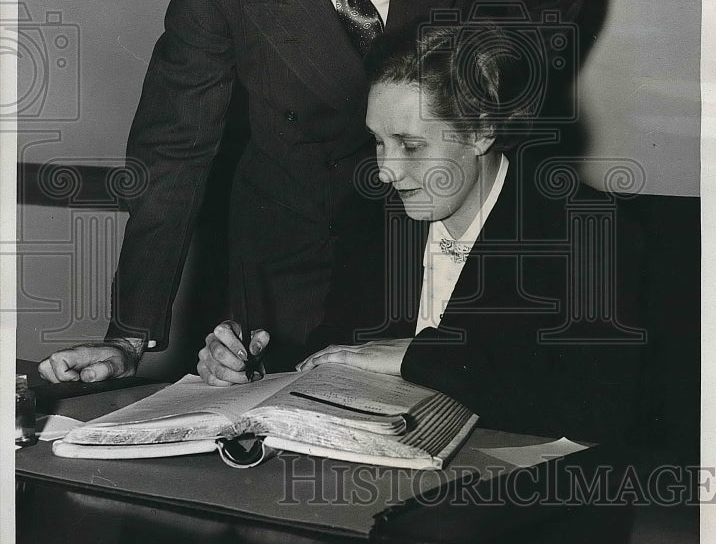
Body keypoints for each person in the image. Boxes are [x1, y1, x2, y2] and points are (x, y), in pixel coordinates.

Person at [39, 0, 589, 386]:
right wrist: (129, 336)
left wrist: (480, 92)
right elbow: (172, 151)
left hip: (437, 239)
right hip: (295, 262)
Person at [203, 22, 646, 444]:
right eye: (378, 140)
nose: (385, 171)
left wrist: (418, 358)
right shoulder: (374, 218)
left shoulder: (588, 231)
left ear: (481, 131)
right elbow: (336, 351)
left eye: (410, 145)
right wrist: (256, 372)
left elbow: (599, 412)